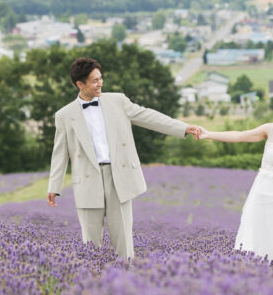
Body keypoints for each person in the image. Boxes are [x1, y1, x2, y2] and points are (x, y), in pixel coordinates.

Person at [46, 57, 203, 259]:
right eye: (95, 80)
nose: (100, 83)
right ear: (80, 84)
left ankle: (126, 275)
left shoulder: (118, 101)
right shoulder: (64, 115)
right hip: (87, 181)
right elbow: (60, 153)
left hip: (118, 177)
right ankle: (92, 277)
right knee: (90, 246)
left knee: (124, 244)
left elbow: (148, 116)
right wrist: (54, 186)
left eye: (100, 78)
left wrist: (183, 128)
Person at [199, 99, 273, 267]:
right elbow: (239, 136)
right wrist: (209, 134)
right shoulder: (271, 130)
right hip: (262, 193)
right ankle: (255, 273)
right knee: (257, 234)